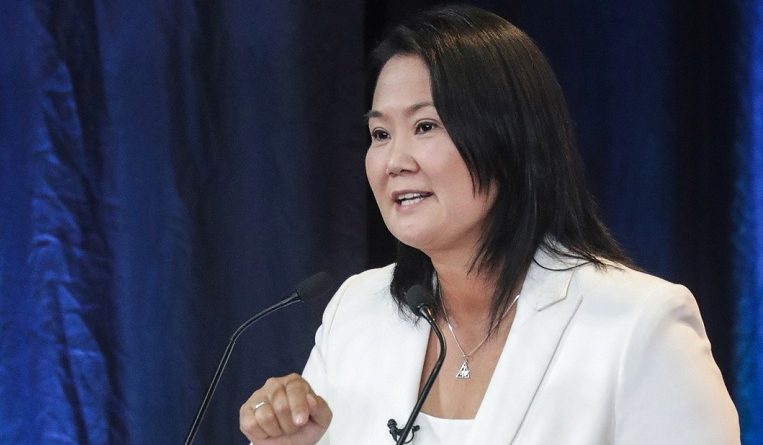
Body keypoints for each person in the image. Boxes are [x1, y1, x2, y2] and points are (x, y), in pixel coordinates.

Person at [239, 5, 739, 444]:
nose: (394, 161)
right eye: (380, 133)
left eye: (425, 126)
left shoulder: (639, 324)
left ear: (509, 139)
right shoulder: (357, 312)